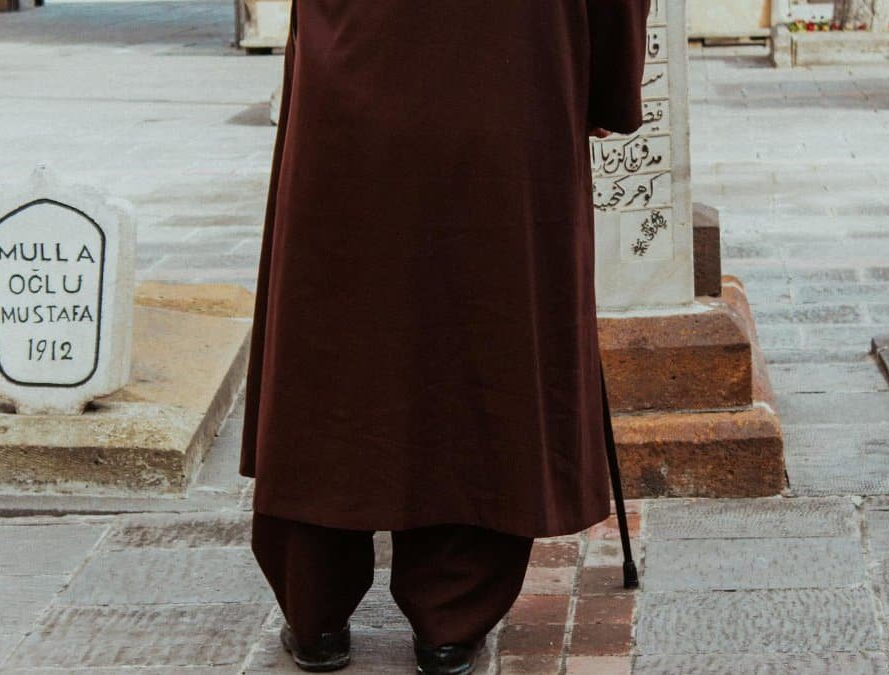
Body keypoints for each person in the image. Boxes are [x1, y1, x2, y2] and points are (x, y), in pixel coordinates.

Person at [240, 1, 651, 672]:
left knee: (334, 317)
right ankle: (450, 615)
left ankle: (314, 603)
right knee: (481, 317)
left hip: (350, 58)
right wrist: (609, 82)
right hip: (511, 65)